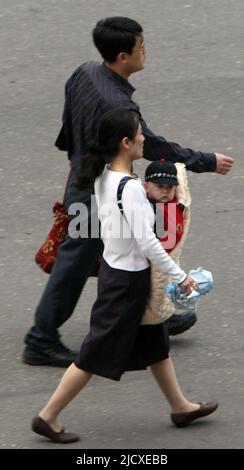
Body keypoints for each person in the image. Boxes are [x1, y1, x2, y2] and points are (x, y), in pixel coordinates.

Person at [23, 16, 234, 368]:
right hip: (99, 192)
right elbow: (151, 144)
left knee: (123, 256)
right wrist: (205, 161)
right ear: (123, 56)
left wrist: (73, 157)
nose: (145, 52)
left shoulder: (84, 72)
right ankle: (41, 338)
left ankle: (149, 319)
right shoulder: (120, 108)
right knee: (82, 263)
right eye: (140, 48)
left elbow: (69, 119)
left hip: (85, 176)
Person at [31, 109, 218, 443]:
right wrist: (181, 277)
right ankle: (47, 416)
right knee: (92, 354)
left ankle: (180, 406)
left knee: (155, 343)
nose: (145, 137)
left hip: (119, 274)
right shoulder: (130, 187)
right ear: (126, 143)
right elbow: (147, 243)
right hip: (125, 283)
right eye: (139, 133)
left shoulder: (104, 177)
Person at [142, 158, 197, 332]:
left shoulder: (175, 206)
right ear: (145, 187)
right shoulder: (145, 210)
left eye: (170, 187)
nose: (165, 192)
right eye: (160, 187)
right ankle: (156, 322)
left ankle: (160, 317)